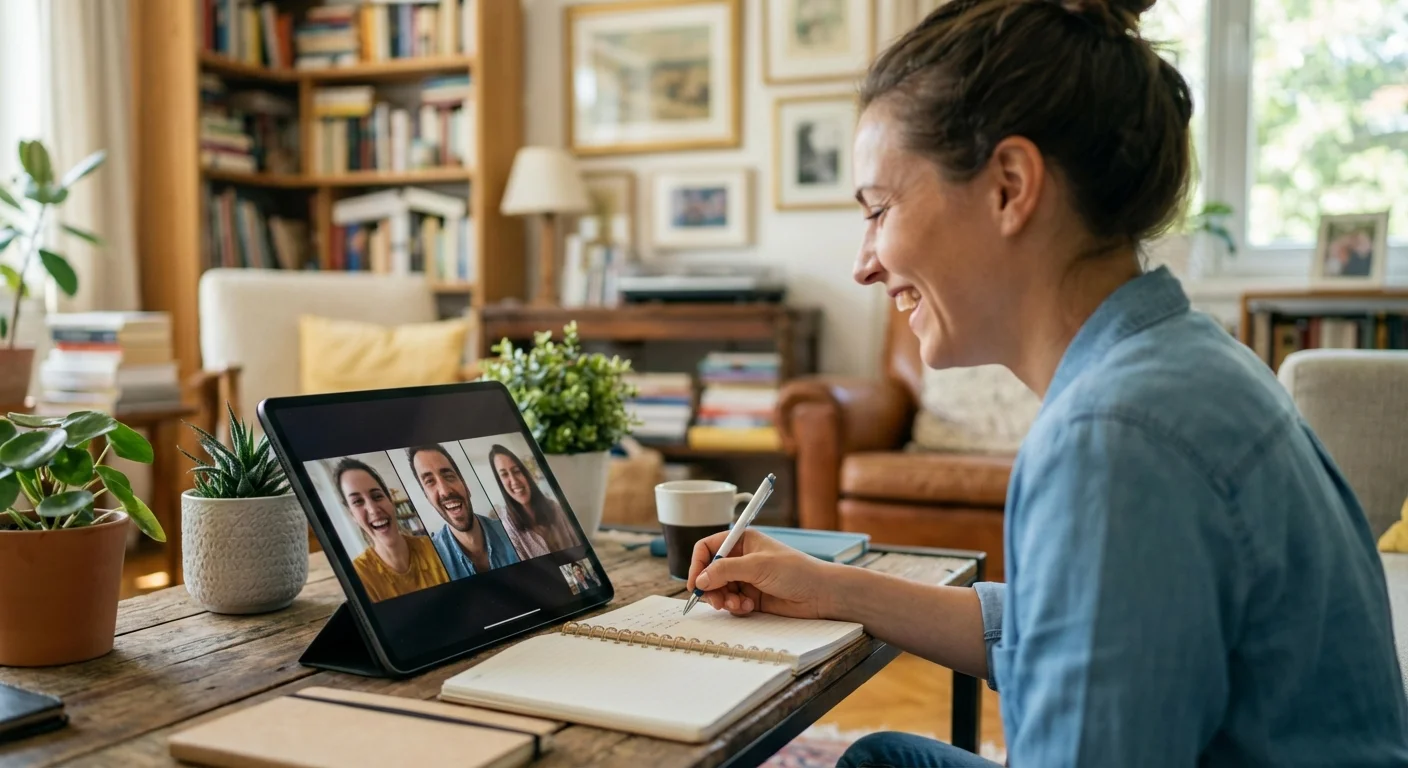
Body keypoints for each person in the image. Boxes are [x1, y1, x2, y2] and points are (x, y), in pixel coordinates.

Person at [686, 0, 1408, 765]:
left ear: (1009, 185)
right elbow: (1055, 627)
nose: (863, 263)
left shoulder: (1115, 438)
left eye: (879, 209)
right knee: (883, 760)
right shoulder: (1182, 361)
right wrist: (829, 586)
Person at [335, 457, 448, 603]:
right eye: (357, 502)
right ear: (352, 515)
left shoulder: (436, 548)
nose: (373, 509)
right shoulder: (358, 576)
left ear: (391, 501)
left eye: (377, 496)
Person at [407, 444, 520, 580]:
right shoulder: (430, 563)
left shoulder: (512, 531)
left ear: (466, 486)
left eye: (449, 476)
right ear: (427, 498)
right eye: (430, 481)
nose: (445, 491)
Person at [487, 445, 579, 558]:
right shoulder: (508, 529)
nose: (514, 481)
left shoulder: (554, 508)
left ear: (525, 474)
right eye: (504, 475)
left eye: (516, 471)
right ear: (500, 482)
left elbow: (579, 544)